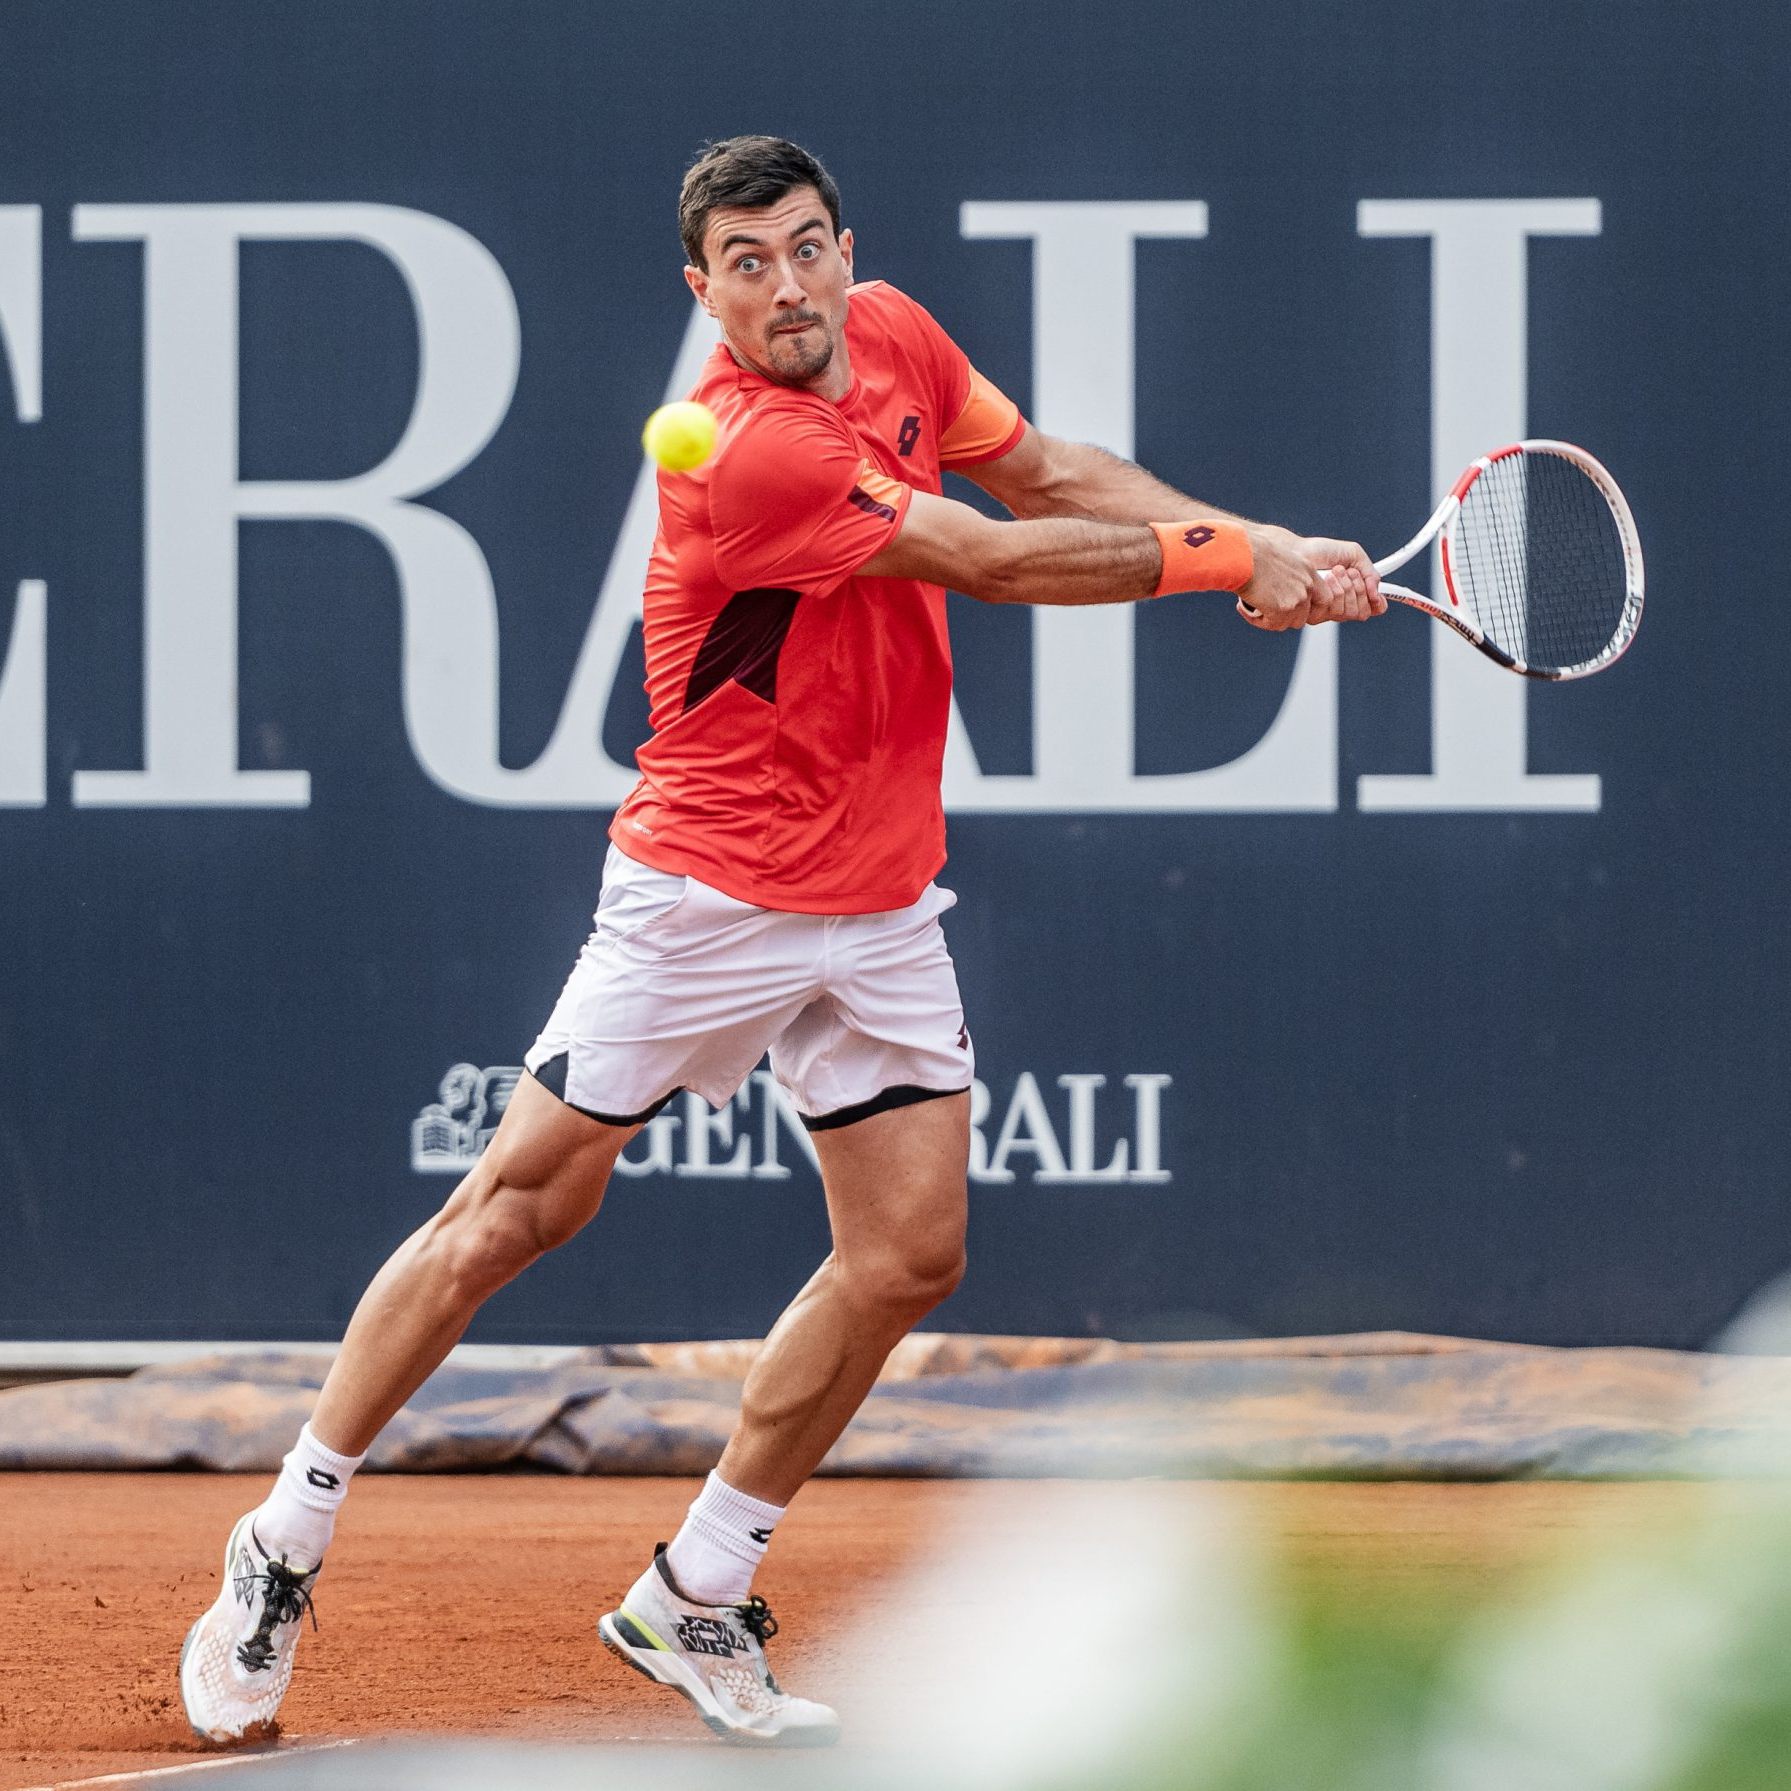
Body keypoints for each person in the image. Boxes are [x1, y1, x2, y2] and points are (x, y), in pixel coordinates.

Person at [178, 134, 1384, 1750]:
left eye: (808, 246)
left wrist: (1262, 540)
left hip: (880, 900)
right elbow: (997, 559)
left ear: (843, 245)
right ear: (706, 292)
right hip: (709, 896)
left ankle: (697, 1589)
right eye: (749, 263)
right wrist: (1246, 561)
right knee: (515, 1214)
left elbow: (1047, 477)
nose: (791, 285)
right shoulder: (742, 453)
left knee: (910, 1256)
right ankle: (284, 1538)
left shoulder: (891, 329)